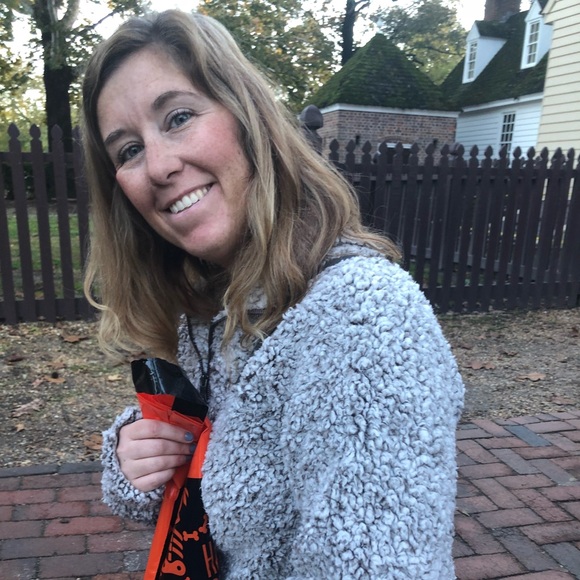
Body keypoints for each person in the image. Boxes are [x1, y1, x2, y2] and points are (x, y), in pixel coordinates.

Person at [82, 9, 464, 579]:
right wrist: (136, 454)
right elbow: (223, 460)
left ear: (247, 117)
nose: (158, 165)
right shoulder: (210, 307)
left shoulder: (360, 316)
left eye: (178, 117)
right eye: (128, 150)